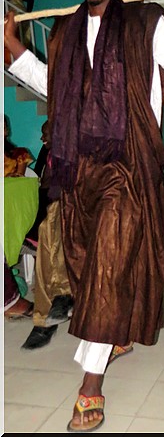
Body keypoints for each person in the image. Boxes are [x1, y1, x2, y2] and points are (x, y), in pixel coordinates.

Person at [4, 0, 164, 433]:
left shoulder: (146, 21)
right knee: (89, 265)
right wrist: (11, 44)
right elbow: (52, 87)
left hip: (128, 164)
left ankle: (90, 386)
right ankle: (113, 332)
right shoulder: (64, 31)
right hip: (78, 168)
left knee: (108, 262)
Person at [21, 120, 73, 351]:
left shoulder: (74, 151)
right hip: (52, 208)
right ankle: (44, 320)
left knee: (58, 239)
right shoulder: (49, 151)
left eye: (47, 134)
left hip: (76, 210)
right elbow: (45, 187)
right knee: (45, 250)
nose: (43, 139)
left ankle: (64, 297)